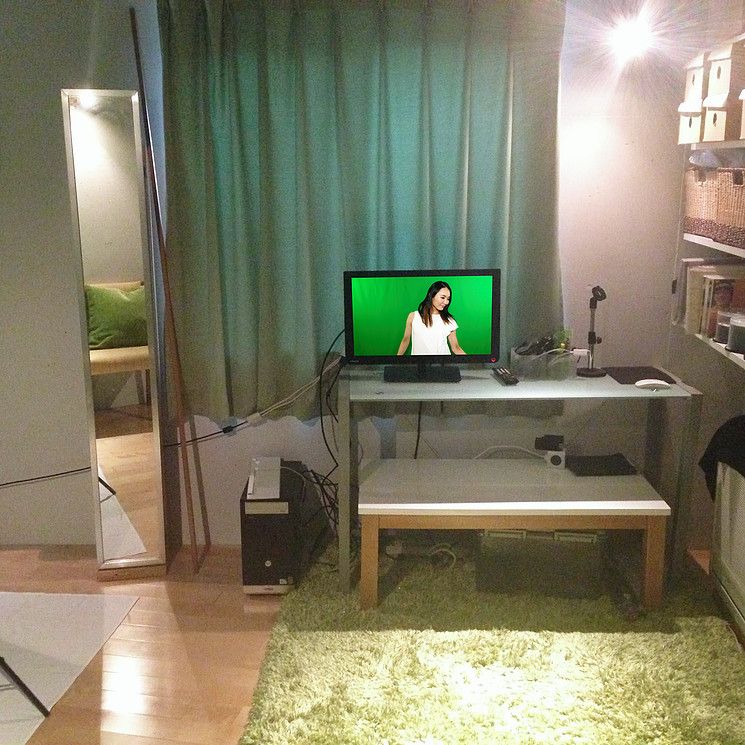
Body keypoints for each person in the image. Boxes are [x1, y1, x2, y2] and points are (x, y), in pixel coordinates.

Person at [396, 280, 466, 355]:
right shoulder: (413, 316)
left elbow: (456, 347)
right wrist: (396, 359)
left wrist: (471, 361)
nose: (446, 302)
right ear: (431, 295)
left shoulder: (449, 320)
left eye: (448, 299)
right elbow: (406, 340)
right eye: (442, 297)